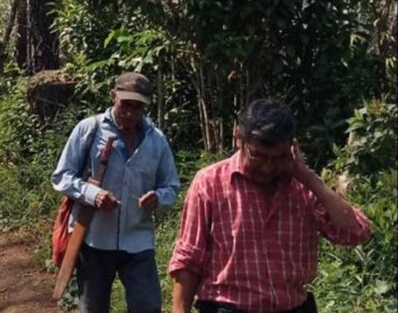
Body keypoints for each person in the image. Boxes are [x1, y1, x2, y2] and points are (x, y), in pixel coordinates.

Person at [169, 99, 372, 313]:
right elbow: (189, 258)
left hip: (294, 308)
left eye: (278, 158)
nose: (267, 168)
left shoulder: (302, 189)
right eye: (257, 156)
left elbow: (356, 232)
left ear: (292, 148)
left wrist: (308, 177)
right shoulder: (209, 183)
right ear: (239, 138)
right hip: (228, 307)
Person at [52, 72, 180, 313]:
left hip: (139, 240)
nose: (130, 112)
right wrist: (94, 194)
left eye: (137, 107)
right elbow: (61, 176)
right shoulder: (89, 130)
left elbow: (171, 186)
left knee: (147, 306)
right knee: (93, 308)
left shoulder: (156, 140)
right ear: (113, 97)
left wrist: (158, 198)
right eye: (125, 105)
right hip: (94, 240)